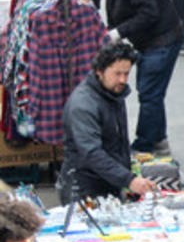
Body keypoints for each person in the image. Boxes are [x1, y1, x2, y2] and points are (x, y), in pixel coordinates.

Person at [84, 0, 183, 155]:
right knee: (152, 94)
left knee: (149, 93)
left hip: (162, 42)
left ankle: (144, 144)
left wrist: (119, 33)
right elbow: (115, 18)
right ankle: (159, 140)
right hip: (149, 43)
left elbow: (149, 14)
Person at [58, 42, 156, 202]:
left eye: (126, 73)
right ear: (99, 71)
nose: (123, 80)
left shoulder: (114, 92)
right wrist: (128, 179)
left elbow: (118, 140)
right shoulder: (83, 105)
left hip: (109, 182)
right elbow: (91, 153)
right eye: (117, 73)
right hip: (84, 190)